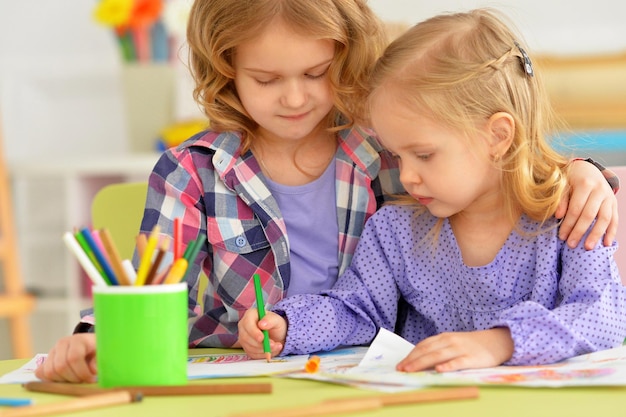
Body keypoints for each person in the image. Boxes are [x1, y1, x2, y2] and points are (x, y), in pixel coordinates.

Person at [36, 1, 618, 383]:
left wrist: (585, 172)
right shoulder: (195, 172)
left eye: (316, 73)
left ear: (344, 56)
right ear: (227, 69)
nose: (294, 98)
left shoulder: (384, 150)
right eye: (266, 79)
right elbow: (150, 288)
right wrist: (96, 338)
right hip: (257, 374)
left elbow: (482, 160)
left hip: (392, 380)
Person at [237, 8, 626, 372]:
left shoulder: (571, 218)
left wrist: (500, 343)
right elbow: (356, 310)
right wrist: (290, 326)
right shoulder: (395, 231)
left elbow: (601, 316)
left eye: (423, 154)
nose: (406, 176)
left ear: (497, 136)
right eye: (397, 155)